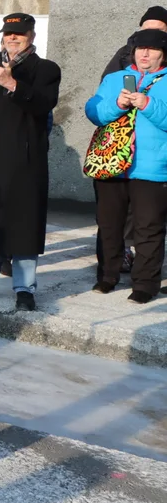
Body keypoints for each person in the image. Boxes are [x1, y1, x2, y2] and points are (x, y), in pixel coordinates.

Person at [0, 13, 61, 312]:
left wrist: (12, 83)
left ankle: (24, 288)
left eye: (19, 33)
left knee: (23, 224)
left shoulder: (45, 69)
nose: (13, 38)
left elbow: (43, 104)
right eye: (8, 33)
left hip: (24, 160)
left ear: (31, 36)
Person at [86, 29, 167, 302]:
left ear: (163, 54)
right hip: (111, 164)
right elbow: (93, 112)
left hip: (152, 167)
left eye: (152, 49)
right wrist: (117, 104)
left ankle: (145, 284)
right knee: (109, 225)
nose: (145, 54)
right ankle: (107, 276)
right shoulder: (114, 78)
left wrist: (148, 104)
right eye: (140, 48)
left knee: (148, 228)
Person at [102, 6, 167, 77]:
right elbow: (108, 80)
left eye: (158, 31)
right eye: (147, 30)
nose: (151, 35)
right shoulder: (125, 53)